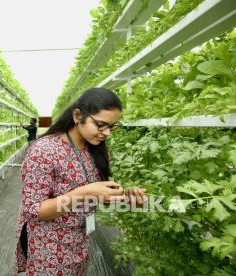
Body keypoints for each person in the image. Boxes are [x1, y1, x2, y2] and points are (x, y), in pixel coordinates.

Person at [13, 88, 146, 275]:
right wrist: (86, 192)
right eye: (101, 124)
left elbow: (97, 196)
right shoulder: (44, 151)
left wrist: (125, 198)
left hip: (79, 241)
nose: (107, 133)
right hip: (48, 248)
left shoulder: (95, 149)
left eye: (111, 126)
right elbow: (34, 210)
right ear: (77, 116)